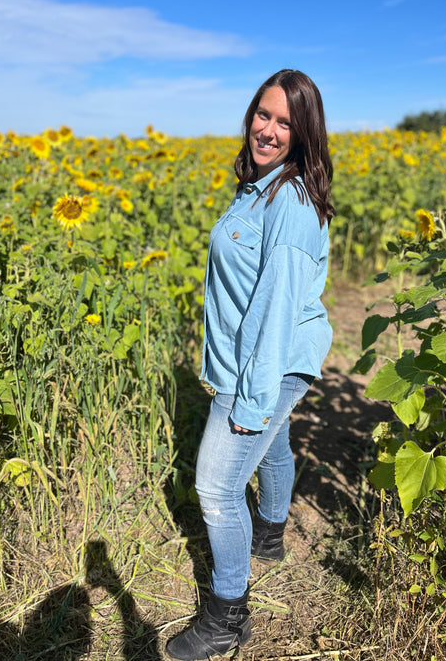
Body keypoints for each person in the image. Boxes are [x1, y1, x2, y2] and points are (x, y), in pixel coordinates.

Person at [166, 69, 335, 661]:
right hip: (260, 356)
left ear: (303, 132)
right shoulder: (261, 185)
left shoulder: (288, 201)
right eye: (263, 114)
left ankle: (227, 617)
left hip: (268, 361)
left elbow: (276, 308)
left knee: (215, 486)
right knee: (277, 443)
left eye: (285, 122)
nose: (267, 129)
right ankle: (268, 536)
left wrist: (253, 399)